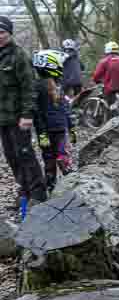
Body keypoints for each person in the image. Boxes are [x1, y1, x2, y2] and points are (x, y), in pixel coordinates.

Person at [0, 15, 48, 207]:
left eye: (2, 32)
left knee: (25, 154)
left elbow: (29, 88)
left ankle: (38, 194)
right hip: (2, 117)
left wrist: (27, 115)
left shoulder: (19, 56)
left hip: (18, 117)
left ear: (9, 33)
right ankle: (24, 191)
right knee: (11, 156)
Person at [32, 49, 75, 192]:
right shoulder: (39, 87)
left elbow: (65, 108)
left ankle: (68, 185)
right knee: (53, 159)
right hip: (52, 130)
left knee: (58, 158)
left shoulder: (58, 85)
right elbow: (37, 113)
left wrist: (71, 127)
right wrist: (42, 133)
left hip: (57, 130)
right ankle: (54, 186)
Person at [92, 41, 119, 107]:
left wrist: (96, 80)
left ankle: (108, 115)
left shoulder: (104, 61)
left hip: (109, 88)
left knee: (107, 103)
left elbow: (97, 75)